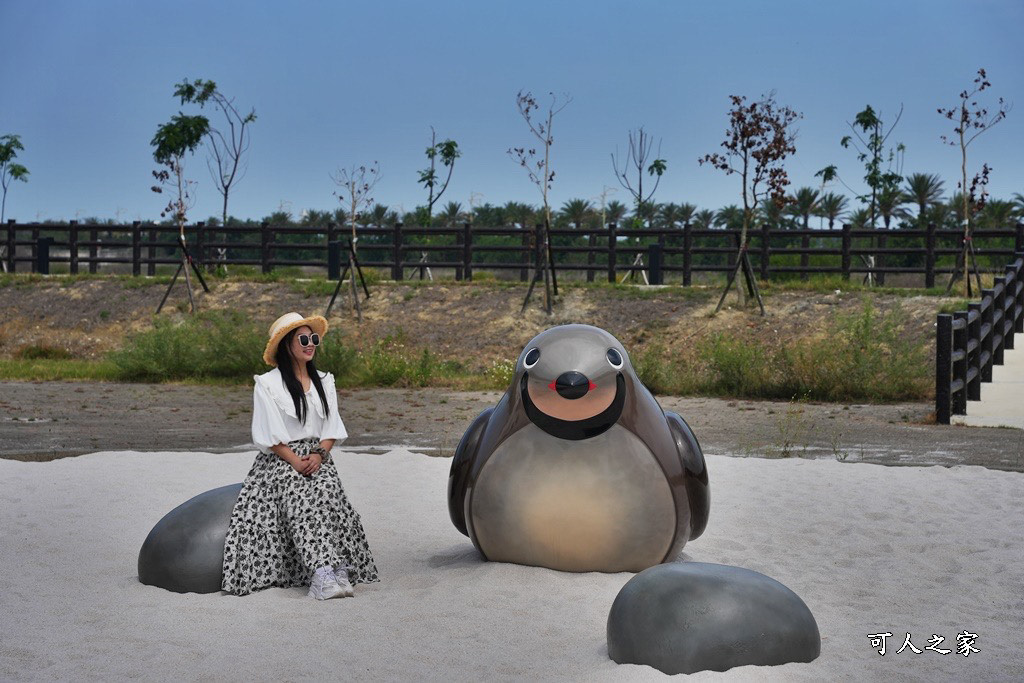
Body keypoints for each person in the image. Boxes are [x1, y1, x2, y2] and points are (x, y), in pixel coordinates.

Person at [222, 312, 379, 599]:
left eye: (314, 339)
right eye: (304, 339)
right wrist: (296, 461)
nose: (311, 344)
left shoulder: (324, 381)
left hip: (317, 455)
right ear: (286, 345)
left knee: (330, 492)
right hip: (281, 458)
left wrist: (319, 455)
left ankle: (339, 566)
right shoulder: (268, 384)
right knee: (301, 495)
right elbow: (269, 436)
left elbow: (331, 428)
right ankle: (321, 572)